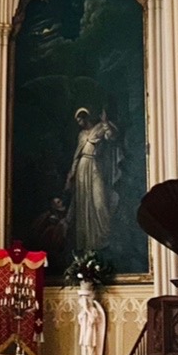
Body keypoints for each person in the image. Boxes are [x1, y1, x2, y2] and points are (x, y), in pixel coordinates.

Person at [64, 107, 117, 261]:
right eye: (77, 121)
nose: (79, 123)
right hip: (82, 168)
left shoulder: (99, 127)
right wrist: (71, 174)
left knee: (99, 202)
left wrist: (105, 122)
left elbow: (111, 136)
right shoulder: (81, 135)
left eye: (80, 119)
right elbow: (77, 155)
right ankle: (86, 244)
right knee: (83, 204)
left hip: (95, 167)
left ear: (85, 117)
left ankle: (102, 239)